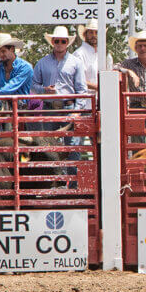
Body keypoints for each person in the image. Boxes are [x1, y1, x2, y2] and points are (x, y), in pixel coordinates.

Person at [32, 26, 89, 185]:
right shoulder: (42, 62)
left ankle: (73, 184)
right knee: (50, 147)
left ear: (67, 43)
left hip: (69, 107)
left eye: (63, 41)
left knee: (73, 147)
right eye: (57, 41)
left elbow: (82, 90)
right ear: (52, 42)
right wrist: (44, 90)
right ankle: (55, 182)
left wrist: (77, 111)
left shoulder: (75, 62)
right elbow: (33, 85)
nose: (59, 44)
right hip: (50, 109)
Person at [119, 28, 146, 143]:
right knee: (137, 142)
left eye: (145, 45)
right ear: (136, 48)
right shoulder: (129, 64)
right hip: (136, 107)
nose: (142, 48)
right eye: (140, 46)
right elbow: (114, 67)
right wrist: (129, 72)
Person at [0, 33, 33, 118]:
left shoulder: (25, 67)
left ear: (12, 49)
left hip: (20, 107)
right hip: (0, 105)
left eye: (3, 51)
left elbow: (11, 87)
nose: (0, 55)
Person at [74, 19, 114, 91]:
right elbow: (78, 79)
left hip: (104, 98)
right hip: (86, 99)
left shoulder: (105, 54)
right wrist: (99, 88)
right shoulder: (79, 54)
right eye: (91, 32)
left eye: (96, 32)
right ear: (85, 34)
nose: (94, 35)